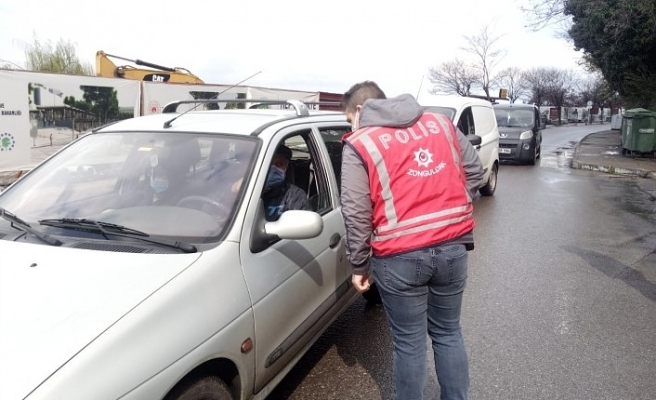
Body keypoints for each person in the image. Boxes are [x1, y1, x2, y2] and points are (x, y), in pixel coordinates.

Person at [340, 81, 485, 400]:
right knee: (449, 333)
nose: (351, 124)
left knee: (409, 342)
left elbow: (356, 211)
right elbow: (475, 172)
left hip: (399, 257)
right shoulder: (441, 124)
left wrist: (359, 264)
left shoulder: (360, 143)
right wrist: (448, 208)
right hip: (453, 247)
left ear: (360, 111)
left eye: (349, 117)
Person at [261, 144, 311, 221]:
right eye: (268, 163)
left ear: (286, 168)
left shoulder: (295, 196)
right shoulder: (242, 190)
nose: (273, 168)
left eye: (279, 164)